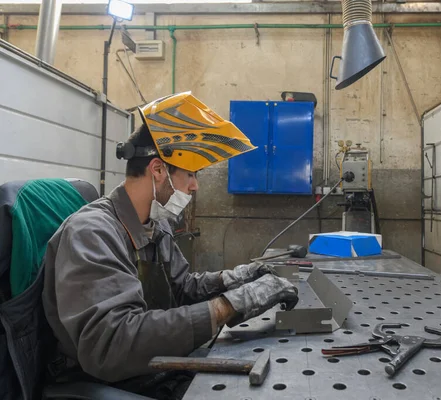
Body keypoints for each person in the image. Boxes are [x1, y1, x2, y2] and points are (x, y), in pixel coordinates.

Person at [41, 92, 299, 399]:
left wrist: (238, 278)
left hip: (153, 367)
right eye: (190, 174)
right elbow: (112, 344)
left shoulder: (155, 224)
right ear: (158, 170)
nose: (195, 186)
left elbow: (181, 288)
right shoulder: (91, 233)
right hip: (108, 379)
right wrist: (230, 305)